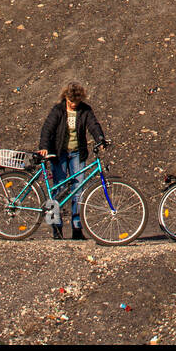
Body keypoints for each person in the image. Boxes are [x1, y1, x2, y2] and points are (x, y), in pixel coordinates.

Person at [38, 82, 107, 240]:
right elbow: (47, 128)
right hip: (59, 153)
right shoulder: (58, 110)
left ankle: (77, 228)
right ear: (66, 98)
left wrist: (100, 138)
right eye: (71, 102)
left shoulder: (85, 110)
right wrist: (44, 146)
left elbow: (93, 125)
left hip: (77, 153)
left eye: (76, 102)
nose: (74, 105)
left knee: (78, 190)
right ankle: (56, 228)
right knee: (58, 190)